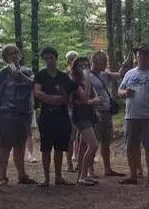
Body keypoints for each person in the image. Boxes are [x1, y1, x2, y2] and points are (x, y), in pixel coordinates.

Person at [118, 44, 149, 185]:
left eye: (145, 54)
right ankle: (133, 175)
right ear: (136, 56)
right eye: (140, 54)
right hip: (131, 116)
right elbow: (119, 91)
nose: (142, 56)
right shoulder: (130, 74)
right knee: (131, 147)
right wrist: (124, 93)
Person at [0, 44, 37, 186]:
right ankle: (2, 177)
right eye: (11, 54)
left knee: (20, 146)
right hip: (7, 114)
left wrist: (21, 76)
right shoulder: (2, 74)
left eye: (16, 53)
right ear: (5, 58)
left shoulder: (28, 71)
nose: (15, 56)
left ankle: (22, 175)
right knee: (5, 145)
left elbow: (34, 85)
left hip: (24, 114)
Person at [34, 46, 75, 187]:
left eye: (51, 57)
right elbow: (37, 93)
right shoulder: (41, 75)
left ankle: (58, 177)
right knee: (45, 148)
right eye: (46, 58)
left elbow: (68, 96)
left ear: (56, 58)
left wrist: (59, 98)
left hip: (62, 116)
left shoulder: (63, 77)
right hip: (46, 115)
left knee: (59, 148)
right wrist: (52, 98)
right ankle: (46, 178)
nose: (49, 61)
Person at [88, 50, 126, 177]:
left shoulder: (104, 74)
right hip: (95, 112)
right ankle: (90, 170)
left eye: (106, 62)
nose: (105, 64)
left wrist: (125, 64)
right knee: (94, 142)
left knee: (106, 141)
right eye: (103, 62)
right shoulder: (88, 76)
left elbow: (119, 75)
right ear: (95, 61)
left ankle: (107, 169)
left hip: (107, 112)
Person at [69, 56, 101, 186]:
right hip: (81, 117)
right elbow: (86, 97)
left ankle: (82, 176)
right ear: (75, 67)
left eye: (85, 65)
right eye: (80, 66)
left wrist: (89, 101)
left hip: (88, 114)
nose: (83, 68)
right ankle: (82, 176)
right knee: (93, 145)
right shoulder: (75, 81)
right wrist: (87, 78)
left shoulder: (85, 80)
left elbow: (93, 98)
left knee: (83, 147)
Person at [66, 50, 80, 171]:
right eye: (72, 58)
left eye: (76, 58)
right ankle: (69, 163)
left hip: (82, 109)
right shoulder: (66, 75)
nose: (75, 60)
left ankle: (81, 163)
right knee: (71, 138)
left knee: (82, 138)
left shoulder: (82, 75)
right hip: (70, 110)